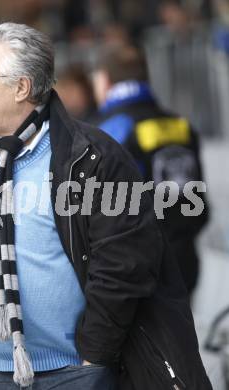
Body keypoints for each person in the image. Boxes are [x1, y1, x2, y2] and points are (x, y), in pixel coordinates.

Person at [0, 23, 211, 390]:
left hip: (75, 375)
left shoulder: (91, 156)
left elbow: (124, 263)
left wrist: (93, 360)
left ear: (21, 87)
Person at [92, 44, 209, 295]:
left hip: (135, 270)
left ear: (105, 80)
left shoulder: (109, 130)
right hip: (184, 261)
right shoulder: (181, 125)